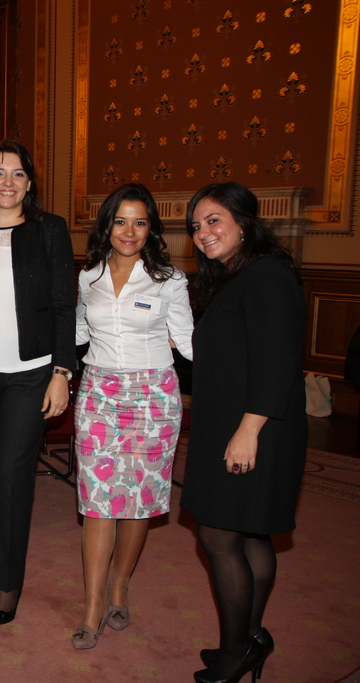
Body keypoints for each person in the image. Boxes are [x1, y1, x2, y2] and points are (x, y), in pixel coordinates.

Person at [181, 182, 307, 683]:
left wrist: (248, 431)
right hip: (235, 424)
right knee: (250, 532)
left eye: (214, 220)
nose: (203, 233)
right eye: (196, 226)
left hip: (254, 428)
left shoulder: (266, 274)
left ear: (244, 221)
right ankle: (251, 637)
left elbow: (277, 362)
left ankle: (237, 653)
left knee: (218, 533)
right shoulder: (238, 276)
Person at [0, 140, 76, 626]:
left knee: (13, 477)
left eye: (19, 173)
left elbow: (64, 306)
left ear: (29, 184)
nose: (8, 182)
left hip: (31, 373)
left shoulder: (50, 230)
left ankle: (10, 582)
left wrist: (62, 372)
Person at [70, 183, 194, 649]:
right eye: (120, 221)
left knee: (138, 500)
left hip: (153, 398)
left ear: (151, 229)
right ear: (107, 226)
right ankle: (92, 607)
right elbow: (76, 332)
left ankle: (120, 586)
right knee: (98, 500)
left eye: (139, 222)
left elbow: (188, 342)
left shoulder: (170, 280)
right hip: (99, 393)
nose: (129, 231)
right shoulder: (89, 277)